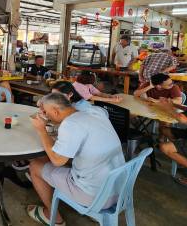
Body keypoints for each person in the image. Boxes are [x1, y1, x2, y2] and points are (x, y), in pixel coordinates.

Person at [27, 93, 124, 225]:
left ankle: (53, 217)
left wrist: (41, 130)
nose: (45, 115)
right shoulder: (95, 112)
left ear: (55, 111)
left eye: (46, 112)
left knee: (34, 165)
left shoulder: (70, 124)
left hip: (96, 196)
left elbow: (57, 161)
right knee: (49, 157)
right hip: (120, 189)